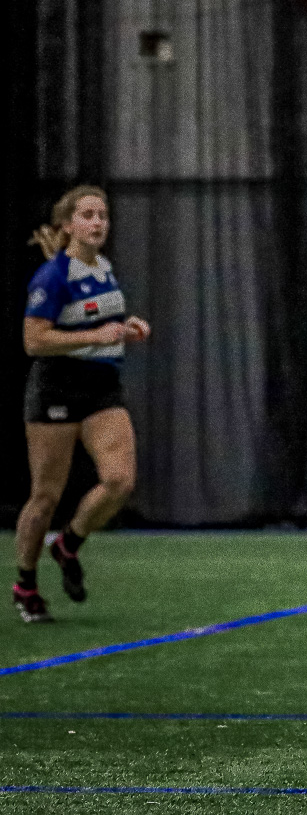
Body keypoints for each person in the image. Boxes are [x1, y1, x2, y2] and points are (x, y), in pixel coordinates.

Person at [14, 186, 148, 624]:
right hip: (56, 389)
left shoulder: (104, 268)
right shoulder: (52, 278)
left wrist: (125, 327)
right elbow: (34, 341)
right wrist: (94, 336)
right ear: (68, 224)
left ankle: (67, 544)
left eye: (103, 215)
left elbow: (97, 319)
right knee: (46, 496)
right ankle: (26, 586)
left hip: (101, 388)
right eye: (87, 215)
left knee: (119, 481)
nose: (98, 223)